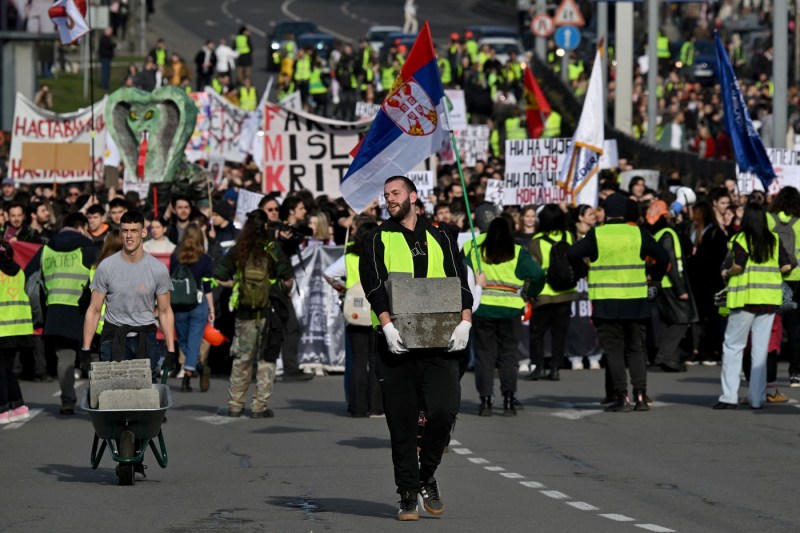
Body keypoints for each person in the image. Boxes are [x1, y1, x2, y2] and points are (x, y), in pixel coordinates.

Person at [360, 176, 473, 521]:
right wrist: (387, 325)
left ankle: (425, 476)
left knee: (443, 412)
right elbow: (374, 283)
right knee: (403, 424)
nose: (389, 199)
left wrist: (466, 320)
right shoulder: (378, 237)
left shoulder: (441, 235)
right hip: (397, 345)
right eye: (386, 195)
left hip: (440, 345)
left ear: (412, 196)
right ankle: (408, 494)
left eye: (395, 193)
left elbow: (460, 282)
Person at [568, 193, 669, 412]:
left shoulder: (598, 234)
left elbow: (573, 253)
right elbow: (663, 257)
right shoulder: (637, 233)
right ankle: (641, 395)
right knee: (635, 349)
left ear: (606, 212)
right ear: (624, 212)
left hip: (606, 302)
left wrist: (582, 272)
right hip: (636, 300)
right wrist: (655, 277)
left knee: (614, 351)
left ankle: (621, 396)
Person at [714, 199, 795, 409]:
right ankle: (757, 398)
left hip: (744, 299)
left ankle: (729, 397)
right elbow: (787, 264)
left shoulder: (740, 238)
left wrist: (726, 272)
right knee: (760, 350)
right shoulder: (774, 240)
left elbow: (738, 266)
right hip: (769, 300)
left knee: (733, 346)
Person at [214, 209, 293, 418]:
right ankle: (259, 407)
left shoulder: (239, 249)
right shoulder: (272, 248)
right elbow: (288, 278)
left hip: (244, 314)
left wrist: (237, 284)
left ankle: (235, 404)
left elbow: (220, 274)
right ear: (266, 226)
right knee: (266, 359)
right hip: (268, 313)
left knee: (242, 358)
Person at [82, 211, 176, 383]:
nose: (129, 236)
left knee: (146, 395)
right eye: (125, 231)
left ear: (143, 233)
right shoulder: (106, 267)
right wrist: (86, 349)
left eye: (134, 230)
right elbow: (94, 309)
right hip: (114, 337)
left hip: (145, 339)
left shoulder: (157, 269)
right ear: (120, 233)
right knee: (115, 396)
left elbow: (165, 311)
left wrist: (170, 350)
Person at [467, 216, 544, 415]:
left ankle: (485, 401)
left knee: (485, 356)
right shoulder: (517, 252)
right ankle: (509, 400)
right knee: (508, 355)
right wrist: (531, 293)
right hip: (510, 309)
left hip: (482, 307)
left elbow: (461, 270)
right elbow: (537, 275)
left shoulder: (475, 249)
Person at [25, 212, 97, 415]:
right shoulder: (88, 249)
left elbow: (29, 277)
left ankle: (67, 402)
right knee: (93, 356)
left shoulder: (46, 249)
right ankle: (98, 401)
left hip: (55, 310)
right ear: (82, 227)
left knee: (64, 357)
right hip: (85, 310)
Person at [324, 220, 383, 418]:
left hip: (355, 311)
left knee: (358, 361)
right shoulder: (381, 257)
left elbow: (328, 274)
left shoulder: (349, 258)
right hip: (376, 310)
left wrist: (342, 289)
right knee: (375, 361)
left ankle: (357, 407)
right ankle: (376, 407)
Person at [526, 204, 577, 380]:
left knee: (537, 332)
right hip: (566, 291)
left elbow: (534, 270)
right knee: (559, 333)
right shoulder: (569, 236)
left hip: (544, 293)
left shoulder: (536, 241)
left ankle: (538, 366)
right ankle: (555, 368)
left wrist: (529, 292)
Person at [646, 200, 696, 372]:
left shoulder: (656, 234)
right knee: (682, 320)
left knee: (669, 321)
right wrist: (681, 289)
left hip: (660, 283)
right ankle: (665, 356)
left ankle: (671, 357)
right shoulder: (668, 234)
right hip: (671, 284)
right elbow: (672, 263)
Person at [170, 223, 214, 392]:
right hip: (198, 302)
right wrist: (211, 308)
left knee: (183, 340)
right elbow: (207, 286)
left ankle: (188, 372)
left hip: (178, 304)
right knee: (194, 340)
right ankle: (197, 367)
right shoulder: (205, 259)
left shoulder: (175, 257)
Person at [766, 186, 800, 386]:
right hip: (797, 276)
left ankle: (765, 369)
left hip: (774, 277)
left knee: (770, 325)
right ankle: (795, 371)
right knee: (795, 327)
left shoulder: (769, 219)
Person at [0, 243, 33, 424]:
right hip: (18, 329)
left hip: (2, 328)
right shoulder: (19, 272)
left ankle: (3, 409)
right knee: (8, 369)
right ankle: (19, 406)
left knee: (2, 370)